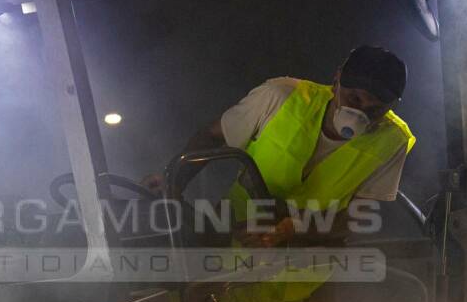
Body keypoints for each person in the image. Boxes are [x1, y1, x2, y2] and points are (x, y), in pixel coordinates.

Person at [147, 45, 415, 247]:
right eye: (354, 98)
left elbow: (358, 217)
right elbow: (212, 136)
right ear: (337, 80)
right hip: (229, 240)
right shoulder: (281, 97)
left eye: (376, 109)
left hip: (300, 274)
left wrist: (294, 229)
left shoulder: (392, 140)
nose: (360, 113)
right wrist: (173, 184)